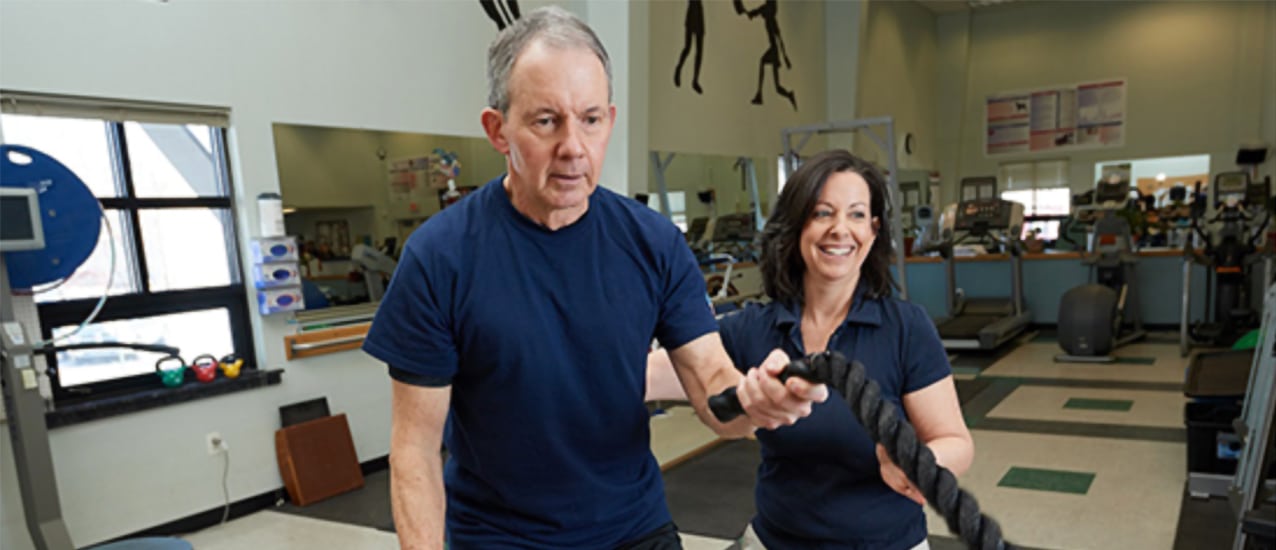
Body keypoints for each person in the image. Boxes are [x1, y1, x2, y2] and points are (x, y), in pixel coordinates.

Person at [361, 7, 827, 549]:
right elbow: (415, 451)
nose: (573, 148)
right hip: (499, 538)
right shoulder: (439, 258)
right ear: (497, 129)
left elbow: (712, 387)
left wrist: (754, 402)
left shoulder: (653, 243)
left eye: (590, 119)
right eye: (545, 121)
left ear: (609, 118)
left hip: (633, 528)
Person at [648, 149, 973, 549]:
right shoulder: (753, 328)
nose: (840, 229)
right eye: (822, 213)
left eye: (856, 214)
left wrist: (916, 461)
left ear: (873, 231)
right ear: (797, 226)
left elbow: (956, 442)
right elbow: (646, 374)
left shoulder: (906, 327)